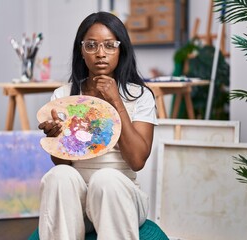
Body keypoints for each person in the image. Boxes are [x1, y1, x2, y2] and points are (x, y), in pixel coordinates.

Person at [38, 11, 158, 240]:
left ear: (121, 50)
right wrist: (57, 139)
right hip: (76, 201)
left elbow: (137, 160)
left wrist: (115, 101)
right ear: (81, 51)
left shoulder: (140, 96)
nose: (101, 53)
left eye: (109, 45)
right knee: (59, 174)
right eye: (91, 46)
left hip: (121, 196)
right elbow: (62, 161)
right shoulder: (64, 96)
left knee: (106, 179)